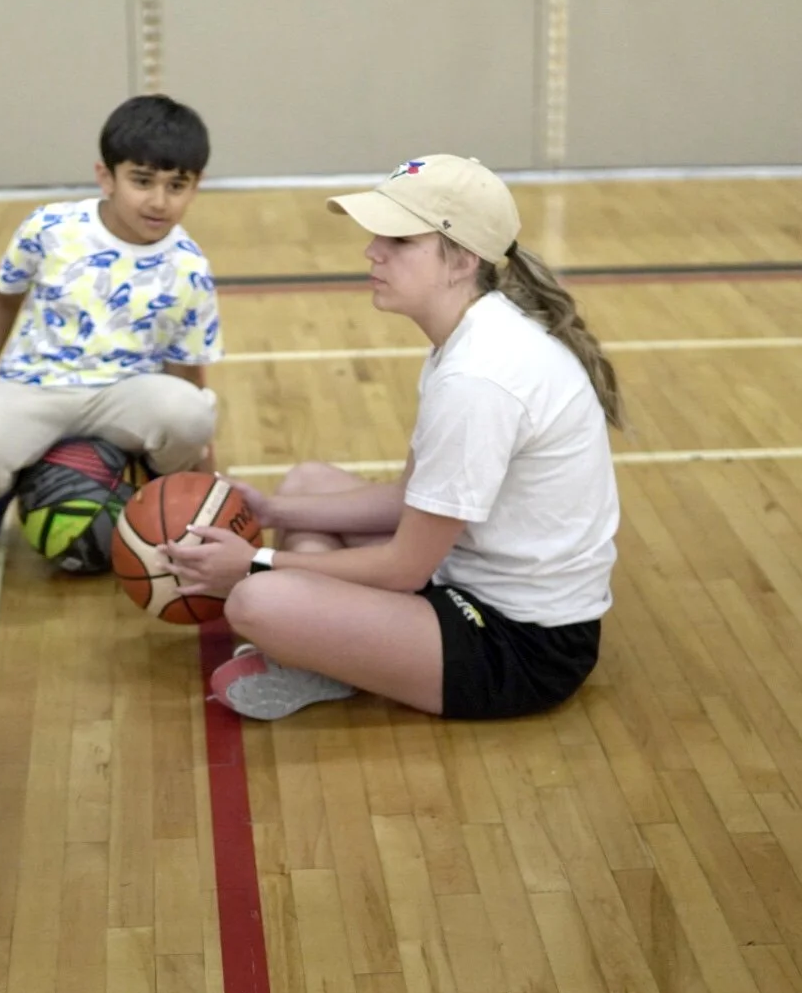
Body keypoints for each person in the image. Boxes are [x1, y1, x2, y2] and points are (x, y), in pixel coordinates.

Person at [162, 154, 622, 722]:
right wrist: (274, 507)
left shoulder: (480, 377)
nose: (372, 250)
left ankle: (331, 654)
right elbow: (411, 496)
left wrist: (256, 562)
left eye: (400, 240)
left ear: (461, 259)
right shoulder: (471, 334)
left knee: (257, 600)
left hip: (520, 646)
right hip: (459, 574)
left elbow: (404, 567)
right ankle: (335, 653)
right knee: (307, 484)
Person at [0, 94, 223, 550]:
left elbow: (188, 368)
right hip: (34, 386)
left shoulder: (190, 268)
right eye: (142, 181)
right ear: (105, 176)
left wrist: (204, 474)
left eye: (176, 185)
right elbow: (2, 301)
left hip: (126, 392)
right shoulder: (50, 228)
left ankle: (153, 480)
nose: (159, 201)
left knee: (192, 414)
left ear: (196, 185)